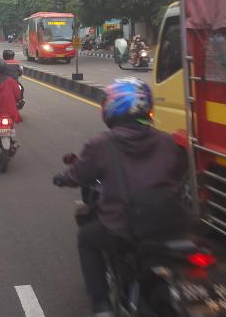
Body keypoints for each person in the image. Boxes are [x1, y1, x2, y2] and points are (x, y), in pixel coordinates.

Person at [52, 77, 188, 315]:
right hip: (173, 223)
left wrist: (63, 178)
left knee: (87, 238)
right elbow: (178, 173)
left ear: (112, 107)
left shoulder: (103, 143)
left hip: (126, 226)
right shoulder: (167, 141)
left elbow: (80, 175)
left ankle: (102, 305)